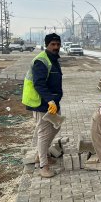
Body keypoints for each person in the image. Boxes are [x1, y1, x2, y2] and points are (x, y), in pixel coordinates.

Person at [22, 33, 63, 178]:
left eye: (58, 44)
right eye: (52, 44)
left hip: (51, 102)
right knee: (44, 133)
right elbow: (39, 84)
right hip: (41, 102)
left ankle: (41, 156)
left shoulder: (53, 59)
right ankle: (43, 166)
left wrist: (54, 101)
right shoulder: (41, 61)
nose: (56, 47)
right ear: (46, 45)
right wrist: (49, 101)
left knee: (55, 128)